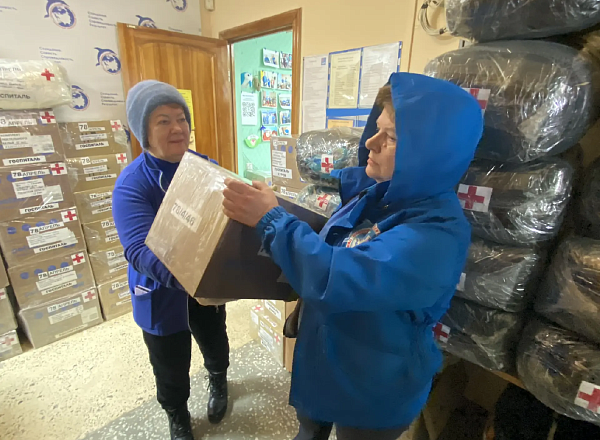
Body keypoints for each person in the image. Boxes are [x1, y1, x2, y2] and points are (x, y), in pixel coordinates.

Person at [222, 72, 483, 440]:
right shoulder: (380, 195)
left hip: (373, 389)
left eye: (391, 137)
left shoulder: (435, 235)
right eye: (377, 129)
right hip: (326, 363)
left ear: (431, 154)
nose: (372, 143)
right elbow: (334, 242)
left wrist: (271, 220)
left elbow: (337, 277)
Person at [113, 80, 230, 440]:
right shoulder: (132, 184)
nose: (177, 128)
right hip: (162, 290)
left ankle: (219, 379)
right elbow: (138, 250)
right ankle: (177, 414)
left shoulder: (205, 168)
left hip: (206, 285)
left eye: (181, 119)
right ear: (143, 133)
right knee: (169, 363)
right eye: (163, 121)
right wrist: (189, 278)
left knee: (214, 339)